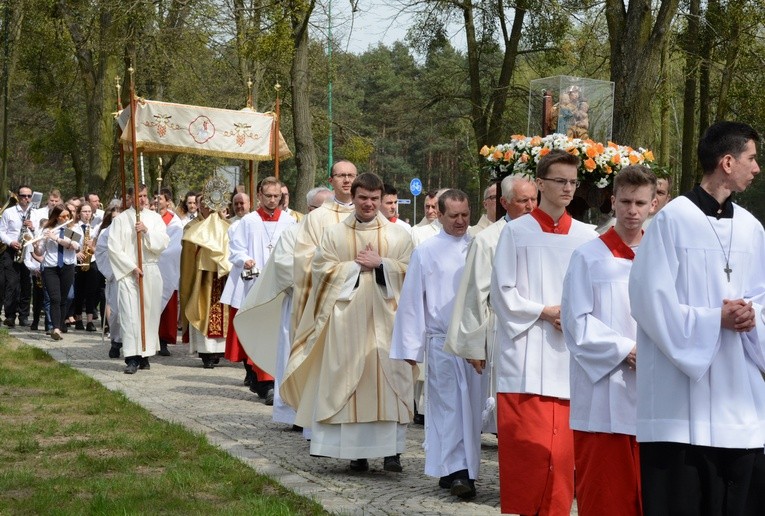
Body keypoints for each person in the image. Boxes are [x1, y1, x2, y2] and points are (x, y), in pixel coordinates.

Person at [629, 121, 765, 515]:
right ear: (727, 161)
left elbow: (761, 296)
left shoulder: (753, 230)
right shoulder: (673, 220)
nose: (756, 168)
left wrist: (751, 316)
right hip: (681, 405)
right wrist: (713, 320)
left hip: (739, 400)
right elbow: (648, 300)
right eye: (751, 158)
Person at [282, 172, 414, 472]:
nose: (369, 204)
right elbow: (321, 271)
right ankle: (358, 453)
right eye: (363, 198)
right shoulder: (335, 234)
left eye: (374, 199)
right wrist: (355, 266)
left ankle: (393, 452)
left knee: (392, 382)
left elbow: (412, 271)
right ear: (353, 199)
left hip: (387, 322)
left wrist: (382, 265)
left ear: (382, 199)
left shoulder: (399, 235)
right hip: (346, 322)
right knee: (349, 381)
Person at [490, 149, 598, 515]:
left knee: (563, 456)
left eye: (573, 182)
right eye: (560, 181)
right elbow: (502, 293)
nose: (568, 188)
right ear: (540, 183)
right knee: (528, 453)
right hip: (527, 357)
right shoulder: (515, 232)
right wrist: (543, 311)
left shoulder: (587, 236)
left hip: (570, 357)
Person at [561, 165, 657, 516]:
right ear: (612, 201)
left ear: (654, 205)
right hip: (605, 399)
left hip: (654, 396)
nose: (633, 210)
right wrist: (626, 349)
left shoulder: (662, 258)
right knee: (606, 498)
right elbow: (576, 322)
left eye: (641, 203)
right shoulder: (588, 257)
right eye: (626, 201)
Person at [391, 189, 482, 499]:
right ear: (440, 215)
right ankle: (459, 473)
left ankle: (459, 468)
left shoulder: (478, 247)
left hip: (475, 344)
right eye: (453, 216)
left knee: (472, 408)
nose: (460, 221)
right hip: (442, 342)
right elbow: (413, 301)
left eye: (465, 215)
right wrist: (410, 348)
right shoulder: (426, 251)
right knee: (448, 407)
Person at [235, 186, 334, 431]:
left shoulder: (337, 233)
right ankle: (294, 411)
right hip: (300, 302)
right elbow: (282, 265)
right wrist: (318, 276)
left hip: (330, 304)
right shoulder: (293, 232)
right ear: (310, 210)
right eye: (320, 209)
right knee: (294, 356)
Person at [444, 174, 538, 434]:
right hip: (502, 328)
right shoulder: (488, 240)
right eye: (523, 200)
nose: (531, 206)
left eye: (534, 199)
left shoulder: (544, 234)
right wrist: (475, 346)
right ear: (505, 203)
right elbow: (476, 293)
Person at [223, 178, 295, 403]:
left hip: (281, 285)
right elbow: (235, 250)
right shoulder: (248, 222)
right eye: (268, 196)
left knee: (276, 333)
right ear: (259, 196)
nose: (273, 200)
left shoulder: (290, 221)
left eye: (277, 196)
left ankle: (271, 381)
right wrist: (245, 259)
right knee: (259, 331)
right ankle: (262, 381)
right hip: (255, 284)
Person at [290, 160, 357, 336]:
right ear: (330, 180)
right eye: (341, 175)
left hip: (360, 297)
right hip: (326, 296)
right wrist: (342, 271)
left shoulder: (367, 215)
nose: (347, 180)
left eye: (351, 175)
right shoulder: (316, 218)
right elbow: (304, 259)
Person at [108, 185, 169, 374]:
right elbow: (114, 248)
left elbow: (163, 243)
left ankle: (145, 354)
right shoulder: (121, 220)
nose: (142, 199)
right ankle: (132, 358)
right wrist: (131, 267)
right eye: (138, 196)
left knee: (149, 315)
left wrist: (147, 231)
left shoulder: (155, 218)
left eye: (144, 195)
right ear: (130, 198)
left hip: (149, 270)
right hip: (129, 273)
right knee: (130, 316)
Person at [179, 192, 231, 369]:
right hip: (201, 278)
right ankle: (206, 352)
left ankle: (220, 350)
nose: (208, 208)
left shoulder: (227, 226)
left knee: (223, 312)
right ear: (200, 206)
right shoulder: (192, 227)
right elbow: (188, 254)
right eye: (205, 204)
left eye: (212, 204)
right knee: (202, 311)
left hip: (222, 277)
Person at [34, 204, 80, 340]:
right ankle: (56, 328)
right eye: (62, 216)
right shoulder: (47, 229)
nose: (65, 218)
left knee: (64, 299)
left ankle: (59, 326)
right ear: (55, 216)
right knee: (55, 298)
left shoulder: (71, 229)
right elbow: (40, 251)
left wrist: (56, 239)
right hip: (50, 266)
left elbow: (74, 246)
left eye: (67, 216)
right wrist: (36, 245)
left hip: (67, 266)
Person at [0, 185, 35, 327]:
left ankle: (24, 315)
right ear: (18, 196)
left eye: (28, 196)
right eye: (23, 196)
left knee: (26, 285)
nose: (26, 198)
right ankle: (10, 315)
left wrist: (33, 227)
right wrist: (10, 242)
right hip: (11, 250)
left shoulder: (35, 213)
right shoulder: (9, 212)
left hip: (29, 250)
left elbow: (42, 232)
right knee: (11, 284)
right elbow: (1, 231)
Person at [95, 204, 124, 358]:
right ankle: (116, 341)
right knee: (116, 312)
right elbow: (100, 252)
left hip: (132, 276)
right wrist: (111, 272)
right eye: (114, 218)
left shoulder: (131, 229)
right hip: (116, 276)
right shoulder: (107, 232)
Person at [157, 188, 183, 356]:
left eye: (160, 198)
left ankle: (164, 340)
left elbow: (175, 245)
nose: (156, 201)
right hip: (150, 265)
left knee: (167, 308)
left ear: (168, 201)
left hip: (167, 267)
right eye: (155, 198)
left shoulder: (174, 222)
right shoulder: (149, 218)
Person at [72, 203, 99, 332]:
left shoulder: (94, 229)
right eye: (84, 211)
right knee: (79, 292)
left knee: (91, 292)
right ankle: (78, 319)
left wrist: (92, 245)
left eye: (89, 211)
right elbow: (70, 246)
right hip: (78, 262)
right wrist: (76, 253)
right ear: (79, 214)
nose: (87, 214)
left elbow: (99, 247)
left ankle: (89, 321)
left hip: (91, 261)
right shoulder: (74, 228)